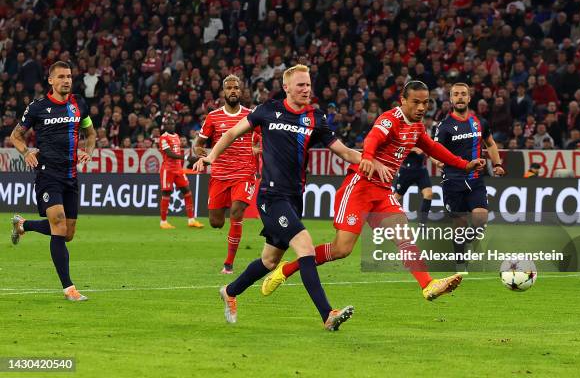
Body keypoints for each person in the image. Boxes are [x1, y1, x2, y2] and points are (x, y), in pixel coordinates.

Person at [195, 65, 391, 330]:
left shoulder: (315, 118)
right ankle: (327, 315)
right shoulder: (267, 109)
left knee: (269, 260)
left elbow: (343, 152)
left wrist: (371, 161)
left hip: (294, 199)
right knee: (305, 247)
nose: (306, 89)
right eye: (300, 85)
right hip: (271, 196)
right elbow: (231, 133)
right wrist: (211, 156)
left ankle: (230, 291)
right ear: (286, 87)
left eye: (308, 85)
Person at [262, 81, 485, 301]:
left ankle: (428, 284)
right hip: (359, 187)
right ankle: (286, 269)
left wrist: (463, 164)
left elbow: (434, 148)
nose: (421, 108)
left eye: (425, 103)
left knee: (404, 235)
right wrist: (368, 157)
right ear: (403, 100)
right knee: (341, 250)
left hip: (383, 192)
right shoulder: (390, 119)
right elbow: (373, 138)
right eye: (416, 102)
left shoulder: (416, 127)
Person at [10, 61, 97, 302]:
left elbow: (91, 134)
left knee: (67, 233)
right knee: (58, 225)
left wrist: (88, 150)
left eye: (69, 76)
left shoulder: (79, 104)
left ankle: (23, 225)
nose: (66, 80)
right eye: (61, 76)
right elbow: (16, 135)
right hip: (47, 174)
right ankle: (69, 289)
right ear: (51, 80)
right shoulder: (38, 107)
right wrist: (26, 152)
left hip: (71, 176)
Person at [432, 82, 505, 273]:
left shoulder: (480, 122)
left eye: (463, 94)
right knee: (460, 224)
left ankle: (467, 243)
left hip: (475, 179)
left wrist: (497, 164)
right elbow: (433, 150)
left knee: (481, 220)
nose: (460, 97)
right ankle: (460, 263)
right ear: (450, 99)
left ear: (469, 98)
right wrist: (438, 161)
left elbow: (490, 143)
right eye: (456, 94)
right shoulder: (445, 126)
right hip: (452, 181)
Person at [193, 75, 260, 274]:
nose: (232, 91)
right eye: (229, 88)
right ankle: (225, 218)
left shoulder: (251, 116)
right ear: (223, 92)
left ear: (241, 91)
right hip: (220, 175)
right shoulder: (213, 117)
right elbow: (198, 146)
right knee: (216, 222)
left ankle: (228, 264)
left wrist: (258, 148)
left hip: (244, 173)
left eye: (236, 88)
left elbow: (265, 138)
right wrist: (202, 155)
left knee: (237, 212)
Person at [158, 118, 204, 229]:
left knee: (187, 192)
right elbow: (169, 154)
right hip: (167, 170)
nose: (171, 125)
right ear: (165, 125)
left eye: (172, 123)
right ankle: (163, 222)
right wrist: (187, 157)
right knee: (166, 194)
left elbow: (177, 152)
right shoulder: (163, 137)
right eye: (169, 123)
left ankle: (191, 220)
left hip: (178, 169)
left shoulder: (177, 136)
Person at [393, 147, 433, 226]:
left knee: (429, 194)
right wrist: (412, 148)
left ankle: (422, 224)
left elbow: (430, 148)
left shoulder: (422, 136)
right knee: (396, 197)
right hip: (406, 170)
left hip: (421, 170)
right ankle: (383, 219)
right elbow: (397, 147)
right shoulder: (405, 135)